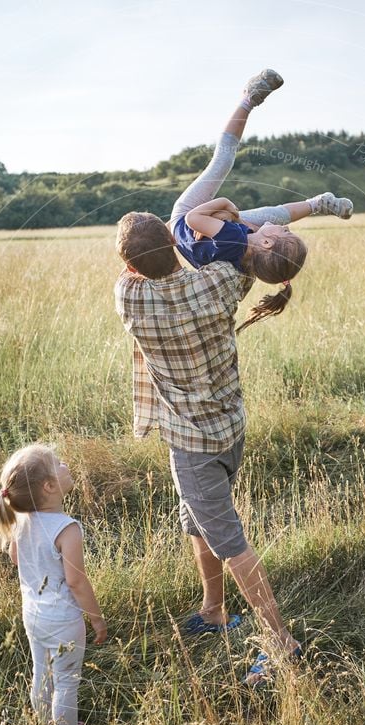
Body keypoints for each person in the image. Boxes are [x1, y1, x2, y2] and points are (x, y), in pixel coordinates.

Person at [114, 72, 328, 685]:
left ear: (130, 266)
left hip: (192, 441)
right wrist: (243, 221)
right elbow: (246, 256)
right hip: (230, 427)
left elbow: (142, 269)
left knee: (228, 538)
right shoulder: (223, 282)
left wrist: (181, 231)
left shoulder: (131, 300)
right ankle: (214, 610)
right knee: (197, 517)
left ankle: (279, 641)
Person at [170, 69, 353, 332]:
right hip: (213, 237)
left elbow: (192, 219)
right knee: (274, 214)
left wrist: (225, 205)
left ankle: (249, 98)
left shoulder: (233, 237)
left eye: (286, 234)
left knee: (222, 162)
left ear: (267, 242)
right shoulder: (252, 263)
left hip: (186, 216)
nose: (287, 229)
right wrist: (232, 219)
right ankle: (319, 204)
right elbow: (255, 232)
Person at [0, 443, 107, 725]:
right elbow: (76, 582)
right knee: (67, 682)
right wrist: (96, 619)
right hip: (64, 620)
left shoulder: (21, 520)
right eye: (58, 463)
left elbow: (16, 558)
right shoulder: (66, 528)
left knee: (42, 675)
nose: (66, 464)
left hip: (33, 615)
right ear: (49, 486)